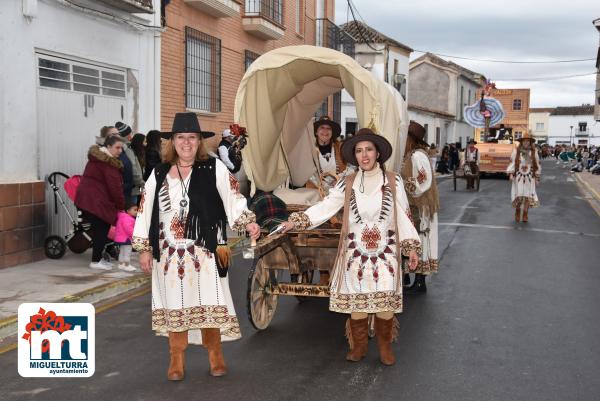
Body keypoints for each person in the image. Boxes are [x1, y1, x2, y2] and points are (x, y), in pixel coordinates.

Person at [133, 112, 260, 380]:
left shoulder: (215, 168)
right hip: (168, 253)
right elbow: (145, 211)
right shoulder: (158, 173)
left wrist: (247, 221)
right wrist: (144, 248)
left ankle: (216, 357)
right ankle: (176, 361)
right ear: (173, 142)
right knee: (174, 304)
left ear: (199, 141)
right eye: (181, 137)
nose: (187, 143)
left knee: (209, 302)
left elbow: (233, 196)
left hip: (205, 251)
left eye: (192, 137)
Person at [280, 127, 421, 366]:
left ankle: (385, 347)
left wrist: (411, 248)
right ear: (354, 155)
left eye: (369, 150)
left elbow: (404, 216)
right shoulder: (348, 181)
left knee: (385, 301)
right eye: (359, 151)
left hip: (386, 254)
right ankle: (359, 347)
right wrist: (296, 220)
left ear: (378, 153)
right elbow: (325, 207)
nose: (364, 155)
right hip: (355, 253)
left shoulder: (393, 181)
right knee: (357, 303)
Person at [401, 122, 440, 293]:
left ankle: (420, 281)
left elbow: (424, 181)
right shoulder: (409, 155)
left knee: (421, 239)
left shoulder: (418, 156)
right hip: (412, 204)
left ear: (411, 139)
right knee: (413, 240)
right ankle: (412, 277)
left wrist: (403, 185)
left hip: (421, 205)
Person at [75, 135, 125, 270]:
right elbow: (115, 188)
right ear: (108, 147)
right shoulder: (107, 164)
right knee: (101, 230)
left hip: (88, 200)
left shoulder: (96, 159)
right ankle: (96, 261)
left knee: (100, 229)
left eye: (121, 148)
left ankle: (98, 259)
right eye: (117, 147)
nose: (120, 151)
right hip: (95, 201)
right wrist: (121, 206)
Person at [506, 132, 541, 222]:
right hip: (518, 177)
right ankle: (517, 212)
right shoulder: (516, 151)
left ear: (530, 142)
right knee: (519, 195)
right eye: (524, 141)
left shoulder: (534, 152)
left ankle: (525, 214)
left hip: (530, 177)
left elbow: (537, 165)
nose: (526, 143)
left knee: (527, 196)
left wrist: (537, 178)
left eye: (528, 141)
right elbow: (512, 163)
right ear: (522, 142)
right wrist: (510, 174)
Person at [116, 122, 144, 203]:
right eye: (130, 132)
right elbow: (132, 167)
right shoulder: (126, 149)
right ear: (127, 135)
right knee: (131, 212)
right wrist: (141, 182)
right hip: (132, 188)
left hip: (130, 187)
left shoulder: (126, 147)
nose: (131, 135)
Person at [114, 202, 138, 272]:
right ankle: (127, 265)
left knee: (122, 252)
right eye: (135, 210)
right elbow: (128, 229)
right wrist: (135, 235)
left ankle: (121, 264)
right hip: (126, 238)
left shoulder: (122, 217)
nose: (136, 212)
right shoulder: (128, 219)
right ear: (128, 211)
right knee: (127, 252)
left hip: (121, 239)